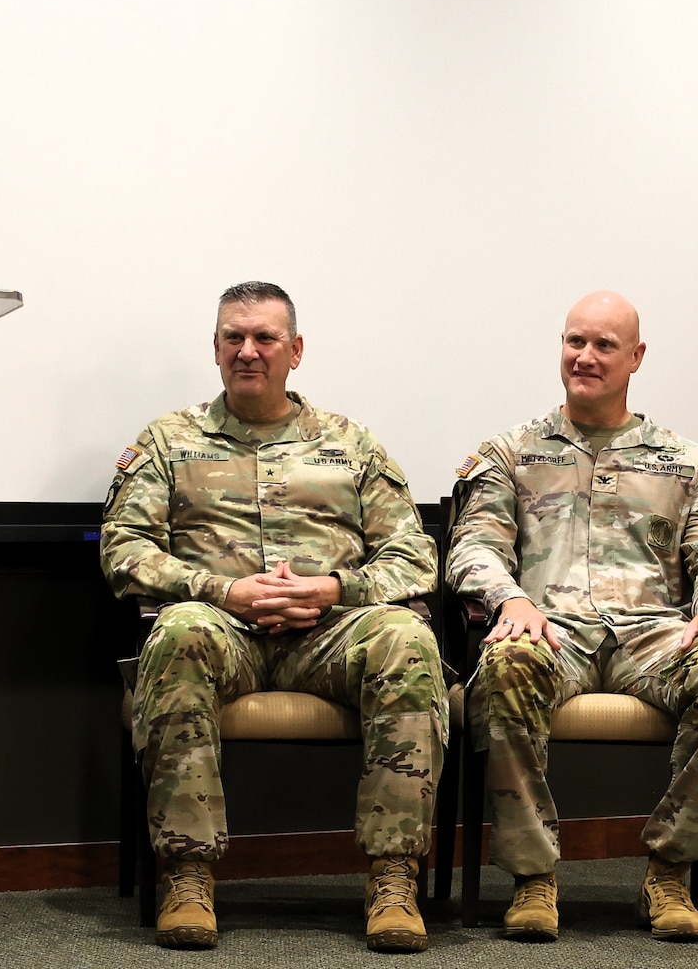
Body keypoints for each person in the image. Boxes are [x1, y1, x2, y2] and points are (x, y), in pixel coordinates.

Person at [101, 281, 446, 953]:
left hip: (330, 634)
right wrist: (221, 590)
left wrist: (333, 589)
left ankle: (394, 875)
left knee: (408, 637)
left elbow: (413, 556)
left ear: (296, 350)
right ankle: (187, 873)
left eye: (265, 338)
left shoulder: (350, 443)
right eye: (235, 337)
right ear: (216, 348)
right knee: (176, 631)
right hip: (221, 628)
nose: (249, 351)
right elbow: (123, 546)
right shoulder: (170, 441)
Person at [446, 290, 698, 944]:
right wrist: (512, 599)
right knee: (504, 663)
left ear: (636, 357)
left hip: (655, 631)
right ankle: (533, 879)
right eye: (574, 342)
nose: (584, 357)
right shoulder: (512, 452)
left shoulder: (686, 462)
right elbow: (473, 547)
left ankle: (669, 873)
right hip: (550, 626)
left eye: (604, 345)